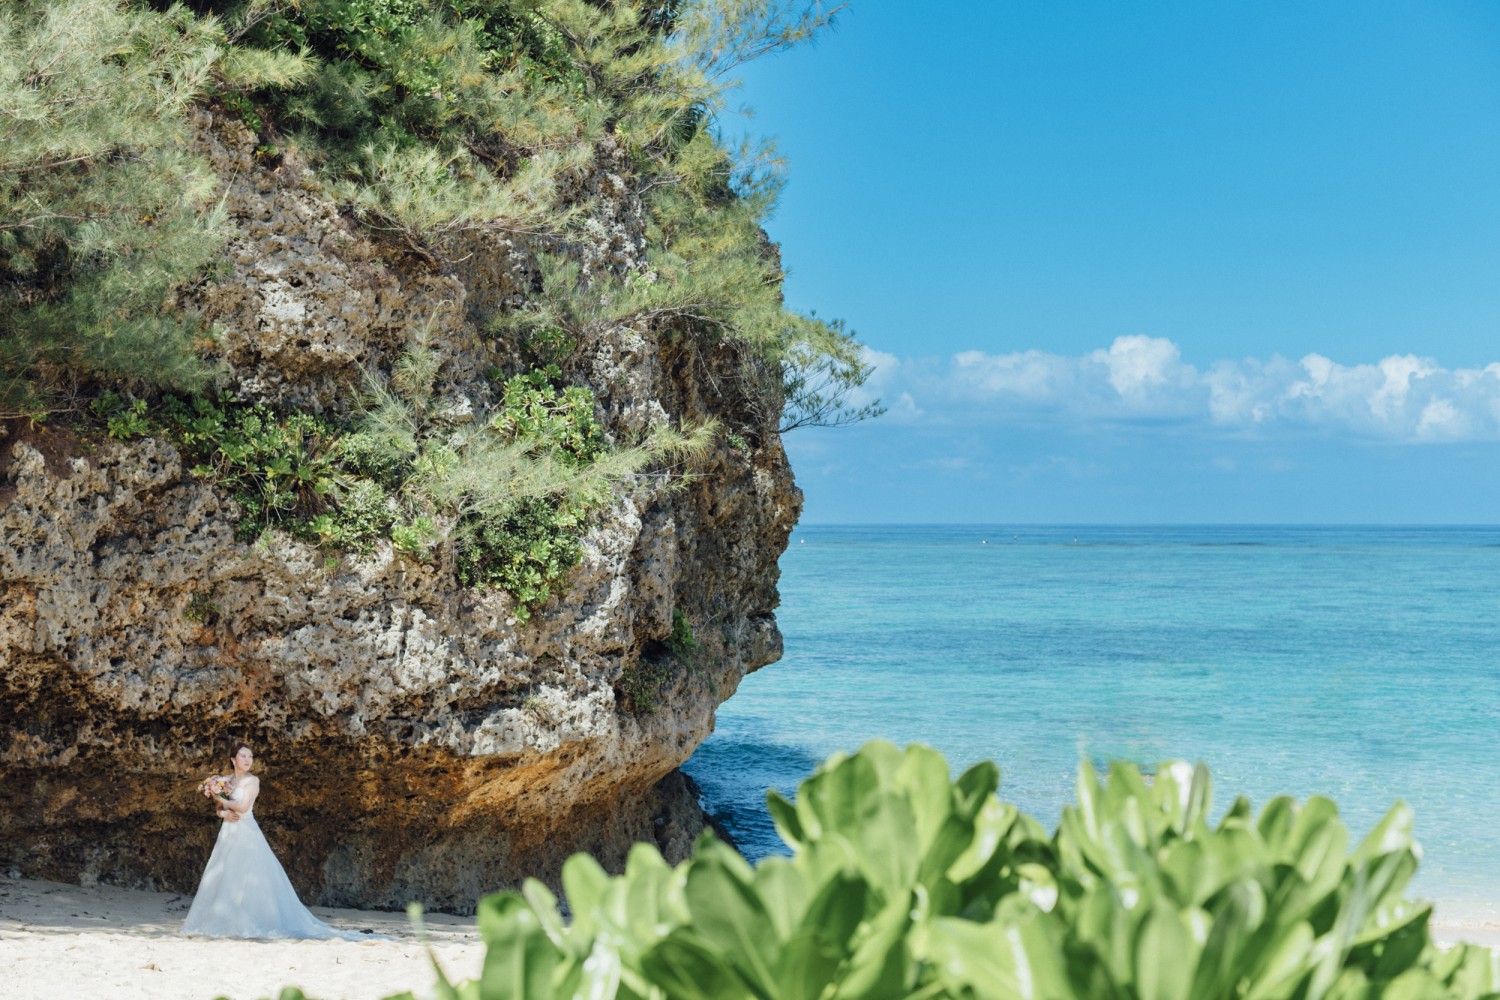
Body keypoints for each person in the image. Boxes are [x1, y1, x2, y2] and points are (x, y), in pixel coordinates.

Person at [181, 743, 367, 939]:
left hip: (246, 831)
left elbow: (243, 807)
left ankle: (249, 921)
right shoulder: (225, 781)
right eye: (243, 756)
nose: (247, 760)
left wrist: (221, 798)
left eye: (250, 756)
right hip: (228, 831)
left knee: (250, 874)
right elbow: (219, 809)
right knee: (224, 874)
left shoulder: (253, 781)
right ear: (233, 760)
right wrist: (223, 812)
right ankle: (224, 921)